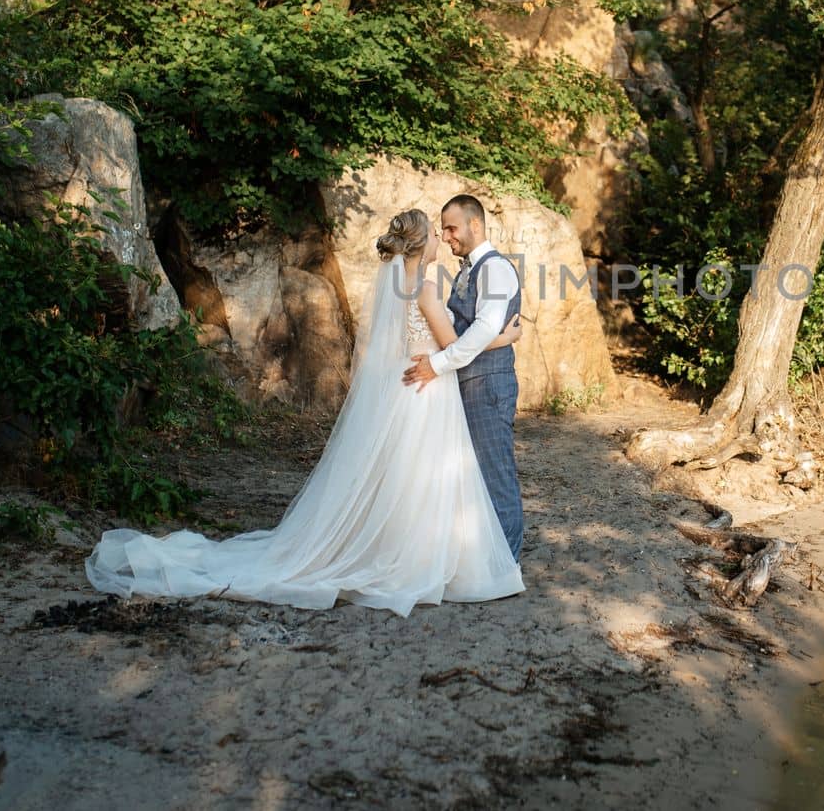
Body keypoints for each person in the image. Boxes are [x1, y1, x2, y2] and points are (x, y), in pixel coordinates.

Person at [83, 208, 525, 617]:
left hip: (408, 387)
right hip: (428, 391)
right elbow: (450, 345)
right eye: (433, 234)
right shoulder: (425, 289)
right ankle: (426, 553)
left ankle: (406, 545)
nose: (438, 241)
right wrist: (506, 337)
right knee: (421, 475)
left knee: (404, 476)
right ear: (418, 246)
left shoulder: (397, 288)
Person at [401, 194, 525, 560]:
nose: (447, 235)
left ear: (475, 224)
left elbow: (484, 328)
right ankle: (483, 558)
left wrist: (437, 365)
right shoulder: (467, 270)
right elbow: (456, 329)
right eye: (442, 230)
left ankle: (506, 563)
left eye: (452, 228)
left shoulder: (496, 269)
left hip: (488, 385)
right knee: (473, 479)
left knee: (495, 475)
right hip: (468, 385)